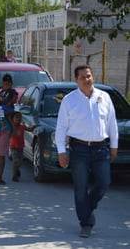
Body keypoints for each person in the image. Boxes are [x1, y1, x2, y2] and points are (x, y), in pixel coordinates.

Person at [55, 65, 118, 238]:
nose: (87, 80)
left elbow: (112, 123)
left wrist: (114, 145)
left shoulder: (104, 97)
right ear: (76, 80)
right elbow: (61, 127)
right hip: (79, 150)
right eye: (82, 77)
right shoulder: (69, 100)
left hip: (101, 149)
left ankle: (87, 208)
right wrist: (61, 151)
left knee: (104, 183)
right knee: (80, 187)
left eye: (89, 76)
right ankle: (86, 223)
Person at [9, 111, 36, 182]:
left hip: (20, 147)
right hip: (13, 147)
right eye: (16, 117)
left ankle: (17, 169)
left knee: (20, 161)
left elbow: (30, 129)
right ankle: (14, 176)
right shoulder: (11, 127)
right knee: (15, 161)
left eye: (20, 117)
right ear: (12, 119)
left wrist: (34, 127)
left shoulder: (22, 127)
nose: (19, 119)